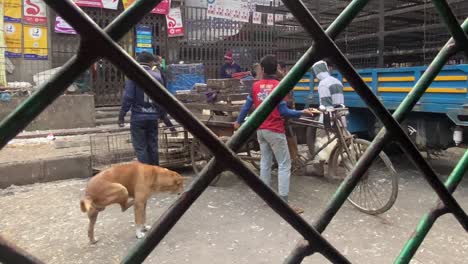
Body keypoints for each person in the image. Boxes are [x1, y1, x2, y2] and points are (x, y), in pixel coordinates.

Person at [234, 55, 317, 214]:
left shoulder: (256, 86)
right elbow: (284, 111)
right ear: (277, 69)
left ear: (263, 69)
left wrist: (238, 122)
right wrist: (302, 112)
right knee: (285, 164)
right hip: (275, 130)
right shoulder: (279, 87)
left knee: (265, 162)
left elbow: (246, 107)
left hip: (261, 130)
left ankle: (266, 197)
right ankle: (283, 203)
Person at [118, 52, 168, 165]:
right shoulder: (157, 76)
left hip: (138, 117)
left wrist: (122, 115)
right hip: (153, 117)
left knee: (141, 148)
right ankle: (155, 173)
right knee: (153, 147)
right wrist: (162, 116)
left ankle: (146, 175)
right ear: (151, 62)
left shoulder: (133, 75)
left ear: (137, 61)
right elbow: (162, 98)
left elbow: (128, 97)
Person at [312, 60, 346, 127]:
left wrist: (326, 124)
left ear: (318, 72)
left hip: (330, 121)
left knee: (319, 136)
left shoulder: (323, 84)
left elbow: (326, 106)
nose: (316, 76)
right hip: (341, 118)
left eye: (315, 73)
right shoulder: (338, 81)